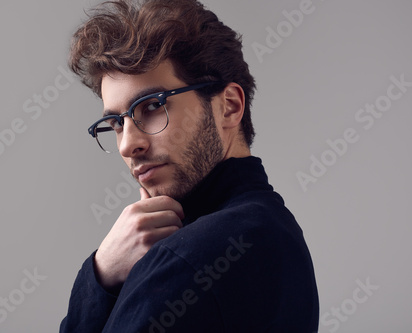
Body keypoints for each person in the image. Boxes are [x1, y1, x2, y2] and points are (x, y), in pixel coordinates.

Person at [60, 0, 319, 331]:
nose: (128, 144)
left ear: (229, 106)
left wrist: (100, 279)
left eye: (152, 106)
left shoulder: (188, 258)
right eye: (116, 123)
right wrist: (104, 273)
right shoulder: (278, 231)